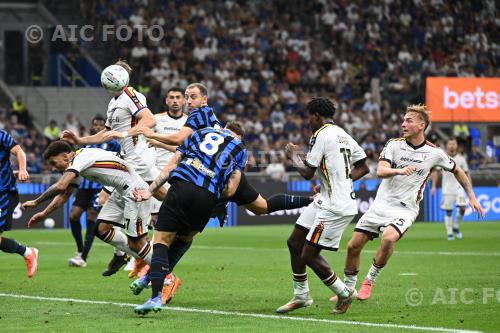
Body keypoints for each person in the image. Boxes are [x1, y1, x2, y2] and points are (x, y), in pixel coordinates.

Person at [336, 104, 484, 303]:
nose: (403, 124)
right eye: (403, 120)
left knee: (388, 239)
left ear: (421, 125)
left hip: (405, 208)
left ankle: (369, 280)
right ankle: (348, 290)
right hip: (380, 205)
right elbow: (380, 170)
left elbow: (458, 170)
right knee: (353, 246)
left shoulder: (435, 153)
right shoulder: (393, 144)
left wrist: (471, 196)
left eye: (408, 120)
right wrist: (399, 170)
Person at [133, 121, 247, 315]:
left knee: (161, 241)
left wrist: (149, 191)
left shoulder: (201, 133)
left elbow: (170, 166)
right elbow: (230, 190)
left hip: (183, 186)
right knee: (185, 239)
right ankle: (150, 278)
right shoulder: (240, 150)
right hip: (207, 198)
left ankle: (155, 296)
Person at [61, 60, 160, 276]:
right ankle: (132, 254)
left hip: (138, 162)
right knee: (107, 222)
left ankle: (146, 260)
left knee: (132, 218)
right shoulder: (113, 103)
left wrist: (123, 134)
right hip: (128, 160)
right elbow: (104, 134)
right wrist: (79, 139)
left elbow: (150, 120)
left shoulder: (132, 94)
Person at [277, 98, 369, 315]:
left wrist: (293, 156)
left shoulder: (320, 134)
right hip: (326, 199)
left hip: (334, 206)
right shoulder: (343, 134)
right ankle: (301, 295)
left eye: (309, 116)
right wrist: (334, 182)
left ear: (316, 115)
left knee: (309, 254)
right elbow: (363, 166)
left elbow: (307, 172)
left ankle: (344, 292)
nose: (308, 121)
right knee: (294, 242)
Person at [22, 141, 166, 271]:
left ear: (66, 156)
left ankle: (166, 276)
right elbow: (65, 194)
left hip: (135, 192)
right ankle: (134, 255)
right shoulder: (78, 163)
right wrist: (44, 213)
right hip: (120, 191)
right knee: (101, 229)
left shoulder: (80, 158)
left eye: (54, 163)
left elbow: (61, 186)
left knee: (137, 243)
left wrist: (36, 202)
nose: (54, 168)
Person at [67, 115, 121, 267]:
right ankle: (79, 250)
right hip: (84, 187)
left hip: (100, 187)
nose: (97, 127)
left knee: (92, 216)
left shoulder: (113, 144)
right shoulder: (87, 144)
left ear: (106, 127)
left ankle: (83, 257)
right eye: (95, 125)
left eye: (100, 125)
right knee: (74, 215)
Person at [0, 129, 38, 277]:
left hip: (4, 193)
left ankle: (28, 253)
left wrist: (22, 169)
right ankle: (28, 253)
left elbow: (19, 151)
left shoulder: (1, 135)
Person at [431, 138, 471, 240]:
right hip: (447, 189)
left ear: (457, 146)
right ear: (447, 146)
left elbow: (466, 173)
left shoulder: (461, 159)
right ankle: (449, 233)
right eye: (450, 144)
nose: (452, 146)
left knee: (462, 208)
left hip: (459, 188)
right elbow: (436, 172)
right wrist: (433, 186)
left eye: (454, 144)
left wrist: (469, 187)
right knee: (449, 211)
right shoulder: (443, 159)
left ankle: (456, 227)